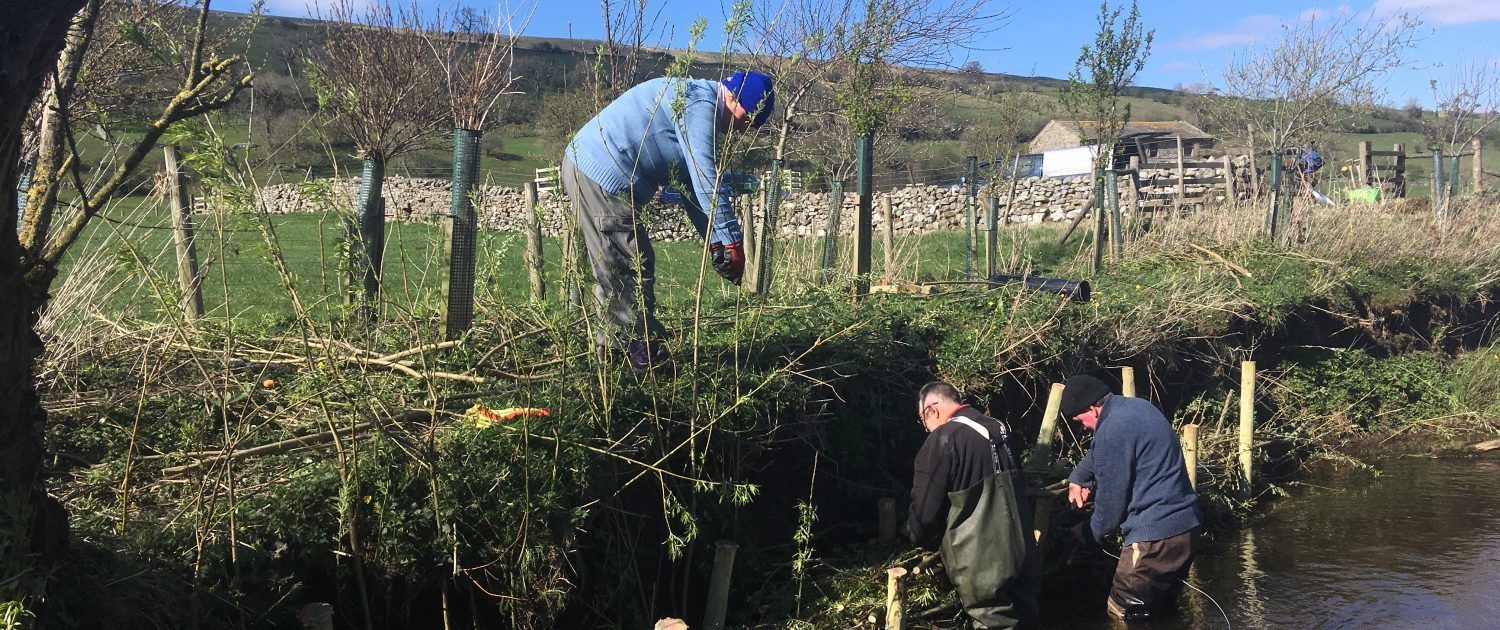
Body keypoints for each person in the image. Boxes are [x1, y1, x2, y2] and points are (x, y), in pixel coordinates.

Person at [561, 71, 775, 371]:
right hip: (601, 172)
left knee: (616, 264)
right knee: (629, 263)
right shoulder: (700, 104)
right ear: (733, 96)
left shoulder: (695, 104)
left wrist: (715, 243)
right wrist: (733, 241)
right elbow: (705, 178)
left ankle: (612, 359)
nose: (743, 128)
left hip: (594, 169)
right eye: (747, 118)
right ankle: (640, 358)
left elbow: (689, 188)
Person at [1061, 374, 1201, 622]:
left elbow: (1110, 505)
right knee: (1162, 612)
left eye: (1078, 419)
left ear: (1092, 408)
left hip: (1153, 540)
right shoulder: (1138, 407)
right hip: (1185, 528)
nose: (1081, 426)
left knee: (1124, 612)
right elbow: (1099, 453)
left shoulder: (1112, 429)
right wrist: (1079, 477)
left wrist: (1088, 532)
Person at [903, 381, 1039, 628]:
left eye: (923, 422)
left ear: (931, 411)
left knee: (993, 621)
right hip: (1023, 549)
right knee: (1027, 616)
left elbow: (925, 508)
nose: (926, 430)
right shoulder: (999, 428)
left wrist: (914, 536)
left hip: (982, 563)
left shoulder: (943, 438)